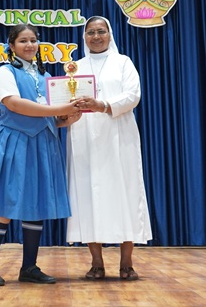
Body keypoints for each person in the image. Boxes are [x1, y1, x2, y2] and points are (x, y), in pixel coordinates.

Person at [0, 24, 81, 286]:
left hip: (43, 143)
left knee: (36, 202)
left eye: (33, 40)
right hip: (14, 141)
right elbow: (14, 104)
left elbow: (48, 117)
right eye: (23, 40)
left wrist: (66, 119)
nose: (30, 45)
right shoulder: (4, 72)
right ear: (11, 45)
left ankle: (29, 267)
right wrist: (59, 109)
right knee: (4, 202)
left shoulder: (47, 77)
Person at [64, 16, 152, 281]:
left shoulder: (123, 62)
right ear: (84, 36)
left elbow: (133, 96)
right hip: (84, 137)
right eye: (90, 32)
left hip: (119, 136)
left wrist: (101, 105)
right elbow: (65, 98)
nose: (96, 37)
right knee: (87, 196)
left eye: (101, 31)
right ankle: (96, 263)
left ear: (110, 34)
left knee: (126, 194)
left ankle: (127, 263)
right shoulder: (75, 67)